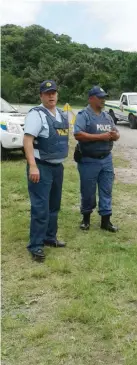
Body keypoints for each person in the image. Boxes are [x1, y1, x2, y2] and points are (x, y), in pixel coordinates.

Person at [23, 80, 69, 262]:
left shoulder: (62, 114)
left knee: (54, 206)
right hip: (41, 167)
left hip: (57, 167)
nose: (51, 96)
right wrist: (33, 166)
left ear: (57, 94)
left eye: (54, 92)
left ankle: (50, 237)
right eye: (47, 93)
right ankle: (36, 245)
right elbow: (27, 140)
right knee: (40, 207)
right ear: (41, 95)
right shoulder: (36, 114)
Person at [73, 85, 120, 232]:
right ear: (91, 99)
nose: (103, 100)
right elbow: (78, 134)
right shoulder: (83, 115)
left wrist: (115, 135)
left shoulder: (107, 116)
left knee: (106, 189)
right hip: (88, 159)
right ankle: (86, 219)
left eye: (104, 97)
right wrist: (100, 137)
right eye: (100, 97)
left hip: (106, 159)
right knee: (88, 191)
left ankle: (105, 221)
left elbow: (116, 133)